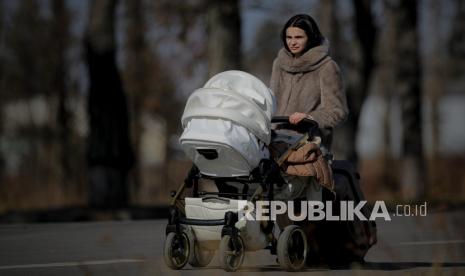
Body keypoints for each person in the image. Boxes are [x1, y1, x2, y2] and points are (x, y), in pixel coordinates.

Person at [270, 14, 348, 150]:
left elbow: (338, 112)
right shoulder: (279, 64)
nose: (292, 42)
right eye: (289, 37)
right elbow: (270, 103)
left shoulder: (326, 67)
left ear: (311, 38)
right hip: (274, 141)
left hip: (309, 145)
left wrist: (310, 117)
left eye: (299, 37)